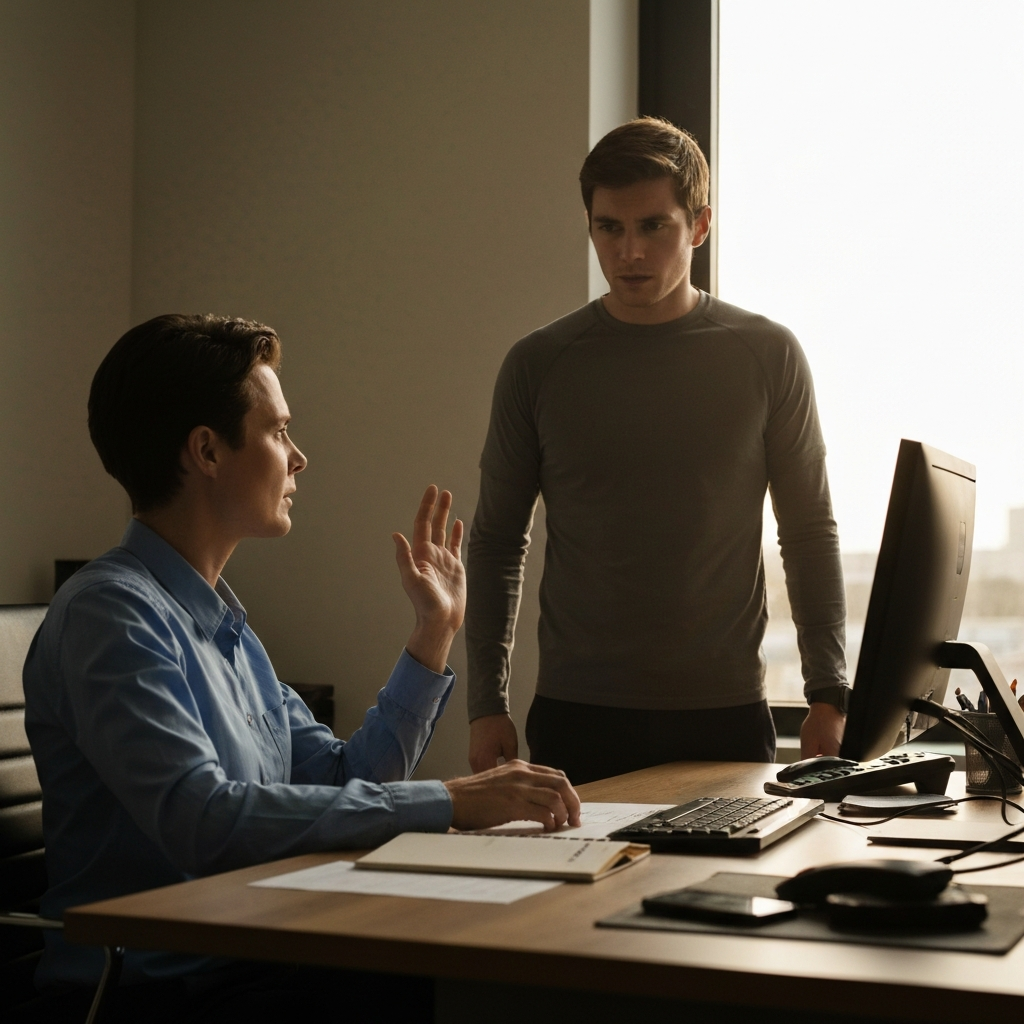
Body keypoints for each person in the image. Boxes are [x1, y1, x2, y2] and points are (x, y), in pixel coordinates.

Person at [21, 314, 579, 1022]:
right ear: (207, 452)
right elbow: (204, 820)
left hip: (246, 965)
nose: (299, 457)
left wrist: (432, 634)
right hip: (148, 993)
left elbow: (349, 783)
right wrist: (453, 801)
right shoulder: (110, 616)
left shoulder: (226, 626)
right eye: (279, 431)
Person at [466, 117, 849, 785]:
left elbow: (808, 531)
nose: (629, 252)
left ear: (699, 225)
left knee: (717, 891)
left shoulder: (767, 355)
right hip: (577, 716)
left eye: (653, 226)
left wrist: (829, 691)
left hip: (723, 713)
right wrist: (484, 703)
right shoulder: (539, 364)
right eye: (608, 227)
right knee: (572, 894)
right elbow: (498, 540)